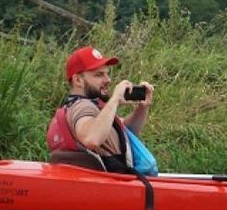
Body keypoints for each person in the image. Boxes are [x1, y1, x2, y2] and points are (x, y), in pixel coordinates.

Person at [46, 45, 154, 173]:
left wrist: (142, 107)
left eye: (107, 74)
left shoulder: (92, 107)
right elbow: (91, 138)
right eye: (99, 75)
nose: (108, 80)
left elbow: (127, 130)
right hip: (110, 186)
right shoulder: (82, 107)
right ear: (78, 80)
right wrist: (115, 100)